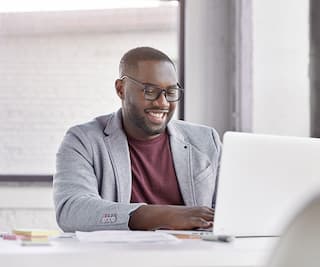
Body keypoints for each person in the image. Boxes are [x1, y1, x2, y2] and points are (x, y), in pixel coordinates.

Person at [53, 47, 221, 232]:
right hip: (120, 258)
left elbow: (230, 209)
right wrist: (166, 216)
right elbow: (71, 211)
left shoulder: (206, 139)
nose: (163, 103)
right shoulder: (83, 140)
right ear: (121, 89)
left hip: (195, 257)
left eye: (170, 92)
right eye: (150, 91)